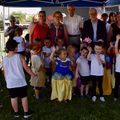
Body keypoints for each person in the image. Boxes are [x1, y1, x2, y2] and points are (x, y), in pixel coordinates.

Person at [2, 40, 36, 118]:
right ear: (14, 48)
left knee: (13, 98)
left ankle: (16, 113)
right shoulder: (20, 56)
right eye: (17, 46)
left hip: (10, 83)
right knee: (23, 97)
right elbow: (26, 68)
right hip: (20, 82)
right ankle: (26, 113)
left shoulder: (4, 59)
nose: (18, 47)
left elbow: (5, 72)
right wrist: (33, 75)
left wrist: (7, 81)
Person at [113, 34, 120, 101]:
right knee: (117, 84)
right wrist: (117, 39)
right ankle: (115, 96)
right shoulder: (118, 55)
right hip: (118, 72)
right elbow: (115, 47)